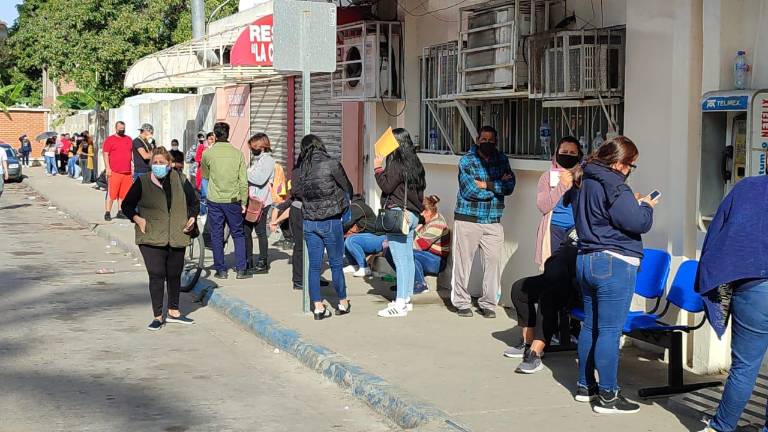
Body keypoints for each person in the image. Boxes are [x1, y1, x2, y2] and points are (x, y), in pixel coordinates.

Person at [572, 136, 657, 414]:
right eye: (631, 165)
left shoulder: (586, 179)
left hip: (585, 259)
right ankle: (608, 396)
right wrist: (645, 206)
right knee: (609, 331)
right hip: (613, 262)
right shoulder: (615, 185)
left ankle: (586, 386)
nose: (631, 170)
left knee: (590, 326)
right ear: (619, 163)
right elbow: (637, 222)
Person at [696, 175, 768, 432]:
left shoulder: (747, 188)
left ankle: (721, 427)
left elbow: (718, 231)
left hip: (755, 287)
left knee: (745, 367)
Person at [504, 137, 583, 367]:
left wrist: (575, 182)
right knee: (536, 283)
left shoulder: (585, 179)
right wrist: (562, 185)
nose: (567, 155)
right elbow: (544, 205)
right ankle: (527, 341)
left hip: (576, 235)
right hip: (554, 233)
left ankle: (567, 332)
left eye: (572, 152)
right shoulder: (548, 177)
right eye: (563, 151)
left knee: (561, 285)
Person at [122, 147, 200, 331]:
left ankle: (174, 311)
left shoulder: (180, 179)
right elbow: (127, 205)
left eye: (162, 163)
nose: (158, 166)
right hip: (150, 236)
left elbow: (194, 202)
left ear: (170, 164)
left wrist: (192, 217)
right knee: (157, 274)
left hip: (177, 234)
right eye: (155, 163)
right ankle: (158, 316)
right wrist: (138, 219)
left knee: (174, 275)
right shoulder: (143, 181)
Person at [451, 125, 515, 319]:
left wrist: (486, 184)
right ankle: (461, 302)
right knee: (463, 263)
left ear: (496, 141)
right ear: (478, 140)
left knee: (494, 262)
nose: (487, 142)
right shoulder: (467, 160)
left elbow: (510, 186)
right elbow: (470, 191)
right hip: (468, 218)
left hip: (493, 220)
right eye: (483, 139)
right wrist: (496, 186)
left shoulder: (502, 159)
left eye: (490, 140)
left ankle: (488, 303)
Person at [292, 134, 353, 320]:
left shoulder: (300, 169)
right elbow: (348, 187)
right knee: (335, 264)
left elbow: (296, 192)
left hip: (310, 221)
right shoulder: (332, 163)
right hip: (331, 220)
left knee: (313, 267)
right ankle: (342, 302)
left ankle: (318, 307)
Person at [374, 128, 427, 318]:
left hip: (398, 215)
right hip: (411, 215)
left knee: (400, 259)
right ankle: (407, 299)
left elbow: (386, 186)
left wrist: (378, 168)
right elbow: (420, 193)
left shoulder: (396, 163)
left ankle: (400, 302)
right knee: (408, 258)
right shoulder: (416, 164)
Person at [201, 122, 250, 280]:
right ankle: (241, 269)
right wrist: (244, 201)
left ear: (214, 135)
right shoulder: (238, 154)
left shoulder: (208, 154)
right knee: (238, 233)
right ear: (228, 134)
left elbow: (206, 175)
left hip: (214, 199)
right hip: (233, 199)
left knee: (217, 234)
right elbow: (243, 181)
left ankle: (221, 270)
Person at [385, 194, 451, 295]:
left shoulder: (438, 224)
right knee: (390, 252)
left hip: (437, 260)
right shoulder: (426, 221)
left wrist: (400, 246)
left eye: (424, 212)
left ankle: (420, 285)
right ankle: (406, 282)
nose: (422, 215)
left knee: (407, 254)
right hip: (425, 255)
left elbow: (420, 245)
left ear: (430, 211)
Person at [244, 133, 275, 274]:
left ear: (261, 147)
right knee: (246, 230)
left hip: (261, 201)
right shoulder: (258, 160)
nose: (252, 150)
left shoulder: (268, 160)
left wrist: (242, 173)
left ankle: (263, 262)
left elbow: (260, 179)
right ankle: (248, 259)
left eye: (254, 147)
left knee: (261, 231)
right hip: (252, 200)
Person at [342, 194, 384, 278]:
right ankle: (354, 265)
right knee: (344, 238)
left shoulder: (356, 206)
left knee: (351, 240)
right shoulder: (358, 205)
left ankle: (364, 267)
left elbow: (345, 224)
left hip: (378, 238)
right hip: (372, 237)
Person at [102, 121, 133, 221]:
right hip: (114, 171)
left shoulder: (129, 139)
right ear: (116, 128)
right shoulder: (110, 140)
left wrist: (132, 167)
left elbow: (131, 154)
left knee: (123, 194)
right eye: (120, 128)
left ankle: (120, 211)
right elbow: (105, 154)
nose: (121, 130)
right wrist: (107, 168)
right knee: (112, 193)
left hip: (127, 172)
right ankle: (107, 212)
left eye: (123, 128)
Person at [196, 132, 215, 215]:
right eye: (210, 139)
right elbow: (197, 158)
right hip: (204, 174)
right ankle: (203, 212)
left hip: (214, 175)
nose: (212, 141)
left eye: (213, 139)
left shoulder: (217, 149)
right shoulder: (202, 147)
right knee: (204, 194)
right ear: (207, 140)